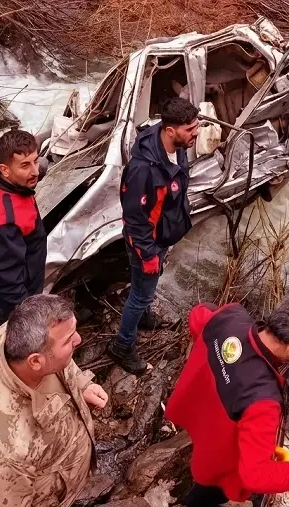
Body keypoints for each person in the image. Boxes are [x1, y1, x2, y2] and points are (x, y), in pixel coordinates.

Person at [165, 293, 289, 507]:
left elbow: (198, 315)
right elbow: (253, 474)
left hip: (194, 411)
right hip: (216, 451)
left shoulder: (231, 316)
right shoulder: (263, 401)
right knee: (212, 489)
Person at [0, 294, 109, 507]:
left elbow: (61, 363)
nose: (79, 339)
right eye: (68, 340)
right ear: (35, 362)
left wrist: (81, 385)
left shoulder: (10, 336)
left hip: (56, 482)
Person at [108, 97, 201, 374]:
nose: (196, 133)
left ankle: (145, 316)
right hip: (146, 243)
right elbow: (135, 220)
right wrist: (148, 254)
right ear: (170, 130)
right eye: (190, 129)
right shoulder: (142, 171)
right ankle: (122, 346)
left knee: (148, 288)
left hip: (163, 235)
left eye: (197, 126)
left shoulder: (176, 146)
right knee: (139, 293)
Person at [0, 129, 46, 360]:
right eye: (25, 165)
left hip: (15, 280)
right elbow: (9, 282)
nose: (35, 170)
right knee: (0, 341)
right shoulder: (3, 223)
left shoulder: (3, 179)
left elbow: (32, 171)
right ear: (5, 170)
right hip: (4, 301)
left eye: (36, 161)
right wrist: (27, 312)